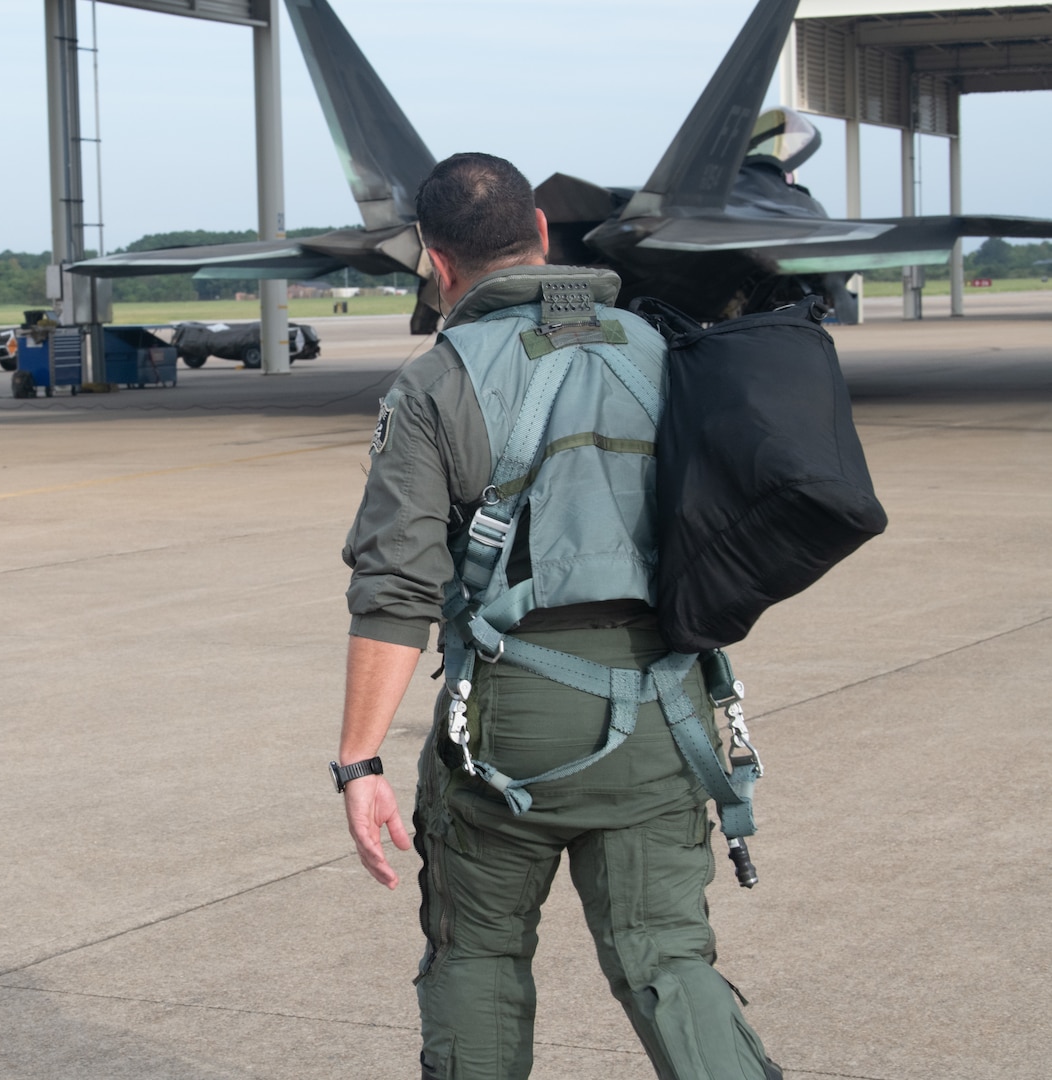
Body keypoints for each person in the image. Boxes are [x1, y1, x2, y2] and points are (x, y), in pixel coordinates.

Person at [335, 153, 783, 1080]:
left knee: (478, 960)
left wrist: (360, 762)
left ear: (433, 258)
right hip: (665, 706)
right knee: (670, 960)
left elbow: (396, 589)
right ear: (543, 234)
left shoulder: (432, 384)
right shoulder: (663, 349)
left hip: (510, 725)